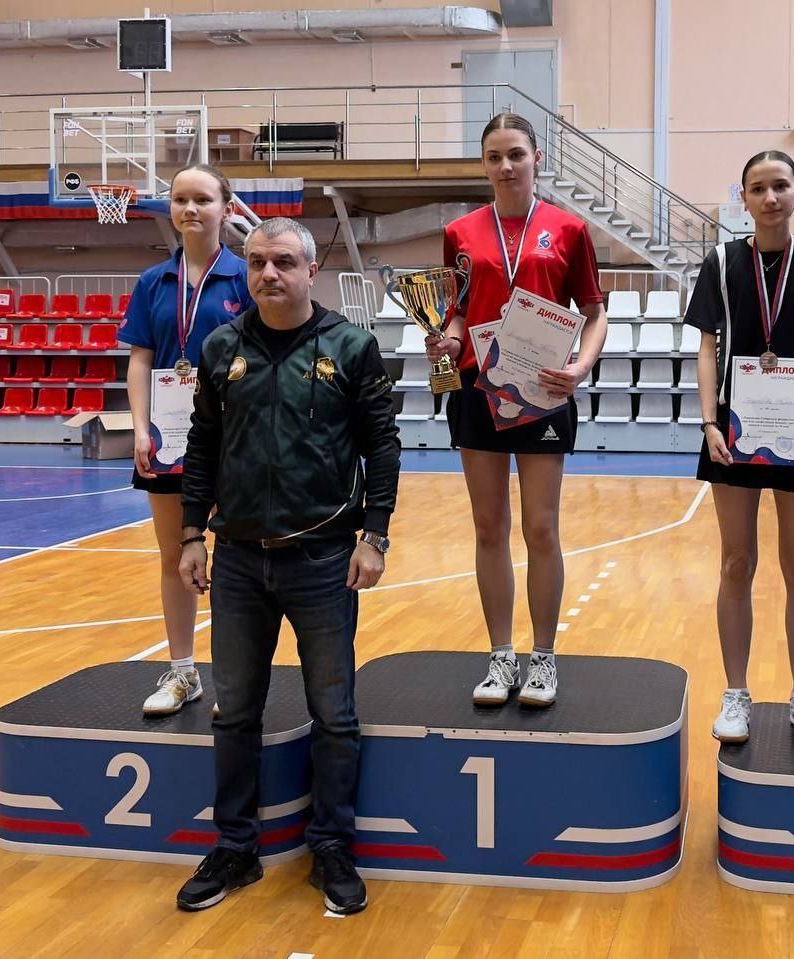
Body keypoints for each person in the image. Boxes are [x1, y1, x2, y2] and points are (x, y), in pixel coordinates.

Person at [174, 217, 400, 914]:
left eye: (282, 262)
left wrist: (375, 536)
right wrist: (191, 534)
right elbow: (202, 444)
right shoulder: (220, 347)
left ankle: (331, 844)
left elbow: (382, 446)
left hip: (324, 560)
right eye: (257, 263)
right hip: (238, 562)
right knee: (234, 711)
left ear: (310, 271)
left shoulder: (352, 347)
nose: (268, 273)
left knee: (334, 713)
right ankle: (235, 847)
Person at [427, 112, 608, 708]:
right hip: (477, 387)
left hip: (544, 390)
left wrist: (580, 367)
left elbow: (594, 311)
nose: (506, 166)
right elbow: (457, 310)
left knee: (541, 528)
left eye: (516, 154)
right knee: (488, 527)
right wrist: (449, 341)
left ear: (536, 159)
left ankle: (544, 657)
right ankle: (501, 656)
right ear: (483, 164)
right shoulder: (459, 232)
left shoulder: (569, 229)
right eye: (494, 157)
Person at [688, 150, 794, 746]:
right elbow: (707, 347)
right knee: (736, 563)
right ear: (743, 197)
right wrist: (709, 422)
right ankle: (736, 694)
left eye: (780, 185)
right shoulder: (720, 261)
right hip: (733, 436)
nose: (769, 197)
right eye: (757, 188)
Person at [120, 163, 252, 717]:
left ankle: (237, 679)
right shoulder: (153, 281)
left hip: (234, 439)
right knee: (174, 555)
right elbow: (141, 358)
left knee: (238, 557)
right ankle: (181, 673)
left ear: (227, 209)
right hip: (168, 440)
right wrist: (139, 428)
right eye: (180, 199)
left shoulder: (247, 275)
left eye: (202, 199)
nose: (190, 209)